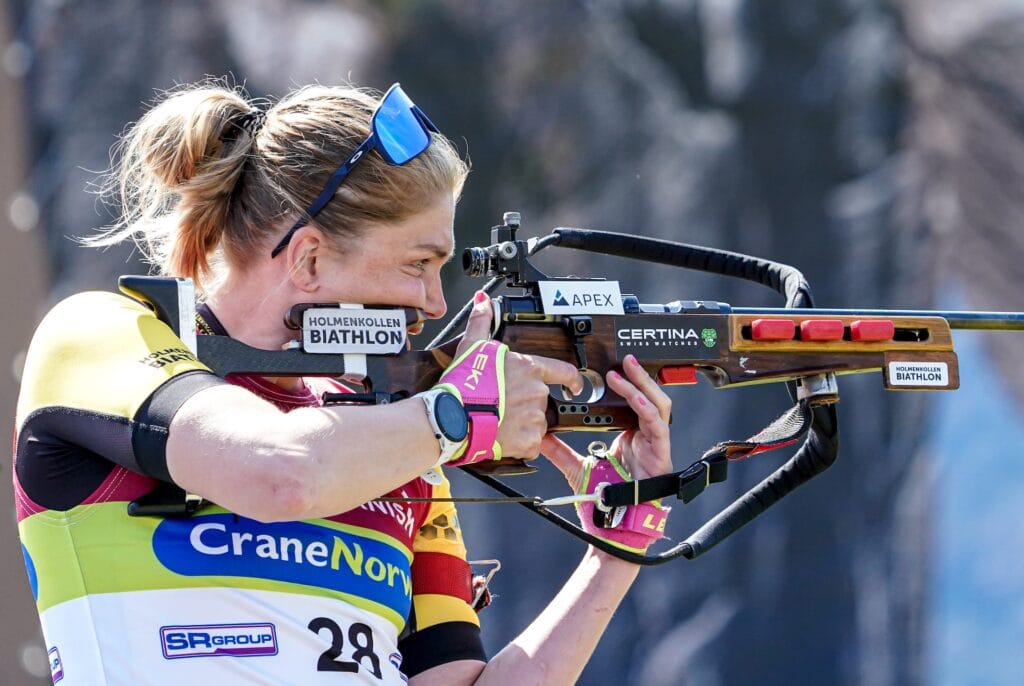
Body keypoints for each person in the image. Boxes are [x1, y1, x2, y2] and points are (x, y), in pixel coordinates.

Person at [13, 79, 673, 685]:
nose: (435, 304)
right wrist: (453, 418)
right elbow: (281, 472)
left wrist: (616, 549)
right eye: (419, 264)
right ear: (308, 259)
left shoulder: (398, 440)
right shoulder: (96, 335)